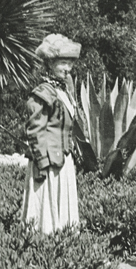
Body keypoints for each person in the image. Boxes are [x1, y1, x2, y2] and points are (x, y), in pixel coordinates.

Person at [21, 33, 81, 233]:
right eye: (63, 63)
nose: (68, 68)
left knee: (63, 205)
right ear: (50, 64)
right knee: (45, 208)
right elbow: (35, 131)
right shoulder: (43, 93)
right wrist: (42, 164)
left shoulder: (64, 91)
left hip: (63, 160)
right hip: (47, 163)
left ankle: (63, 244)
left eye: (70, 64)